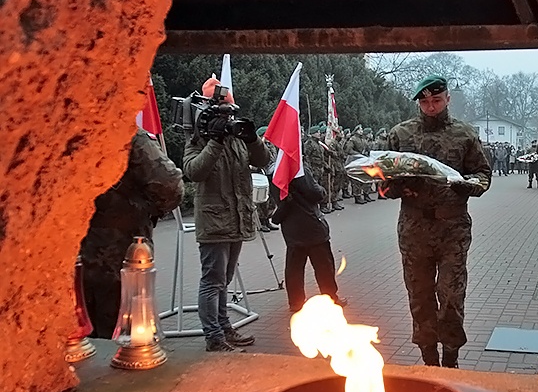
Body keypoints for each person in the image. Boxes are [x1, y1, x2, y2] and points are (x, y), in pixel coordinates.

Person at [381, 75, 491, 368]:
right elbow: (382, 182)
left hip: (452, 229)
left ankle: (451, 357)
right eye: (424, 101)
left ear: (447, 99)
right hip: (414, 229)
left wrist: (468, 185)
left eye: (436, 100)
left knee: (452, 296)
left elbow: (483, 174)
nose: (430, 107)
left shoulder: (465, 135)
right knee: (420, 297)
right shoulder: (400, 135)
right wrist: (395, 187)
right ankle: (429, 359)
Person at [183, 76, 270, 352]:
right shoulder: (197, 139)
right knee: (212, 281)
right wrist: (215, 141)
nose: (229, 117)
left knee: (225, 280)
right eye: (224, 111)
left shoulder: (237, 139)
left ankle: (224, 328)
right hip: (213, 221)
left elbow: (264, 160)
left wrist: (252, 137)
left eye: (231, 111)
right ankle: (214, 337)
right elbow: (194, 171)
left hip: (235, 219)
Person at [80, 130, 183, 338]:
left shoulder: (59, 130)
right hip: (122, 253)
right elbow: (170, 186)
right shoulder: (124, 134)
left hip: (71, 255)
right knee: (126, 336)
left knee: (82, 337)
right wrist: (151, 209)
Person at [273, 169, 347, 311]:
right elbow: (315, 193)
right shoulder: (298, 169)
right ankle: (330, 298)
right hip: (312, 227)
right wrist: (321, 189)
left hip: (292, 228)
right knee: (324, 267)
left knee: (294, 268)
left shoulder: (278, 170)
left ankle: (295, 302)